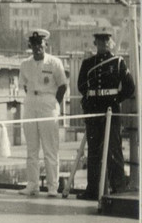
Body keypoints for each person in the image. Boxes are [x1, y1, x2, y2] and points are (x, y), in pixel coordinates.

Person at [76, 29, 136, 200]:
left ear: (111, 43)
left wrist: (115, 99)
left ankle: (118, 188)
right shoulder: (88, 63)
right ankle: (93, 190)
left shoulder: (117, 62)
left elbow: (129, 87)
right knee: (94, 150)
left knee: (113, 148)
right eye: (100, 41)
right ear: (95, 44)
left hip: (110, 109)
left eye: (106, 41)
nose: (103, 44)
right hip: (94, 109)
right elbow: (81, 85)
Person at [17, 29, 68, 197]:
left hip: (48, 102)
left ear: (46, 44)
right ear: (30, 45)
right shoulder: (25, 64)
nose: (37, 47)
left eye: (40, 44)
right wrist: (34, 99)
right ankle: (32, 185)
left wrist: (54, 103)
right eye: (34, 44)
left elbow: (62, 85)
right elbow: (24, 85)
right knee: (32, 148)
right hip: (31, 102)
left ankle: (53, 187)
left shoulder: (54, 63)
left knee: (50, 148)